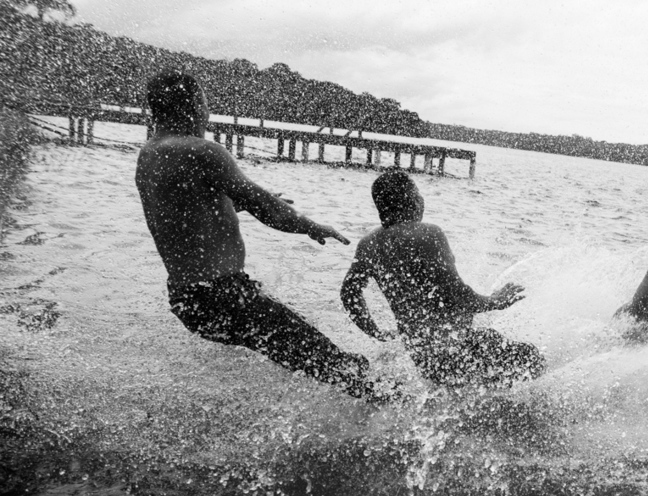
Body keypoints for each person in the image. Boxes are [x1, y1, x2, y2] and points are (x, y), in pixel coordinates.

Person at [135, 69, 389, 401]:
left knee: (307, 351)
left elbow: (183, 218)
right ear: (194, 105)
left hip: (188, 301)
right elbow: (267, 208)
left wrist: (233, 209)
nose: (208, 110)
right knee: (340, 365)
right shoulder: (201, 151)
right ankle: (395, 413)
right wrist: (310, 226)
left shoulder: (150, 154)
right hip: (224, 296)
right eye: (205, 101)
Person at [340, 171, 545, 387]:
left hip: (423, 357)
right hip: (458, 348)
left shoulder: (369, 244)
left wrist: (376, 332)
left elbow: (349, 293)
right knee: (531, 357)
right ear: (411, 199)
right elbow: (457, 294)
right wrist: (495, 301)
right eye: (417, 192)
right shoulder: (428, 233)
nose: (421, 198)